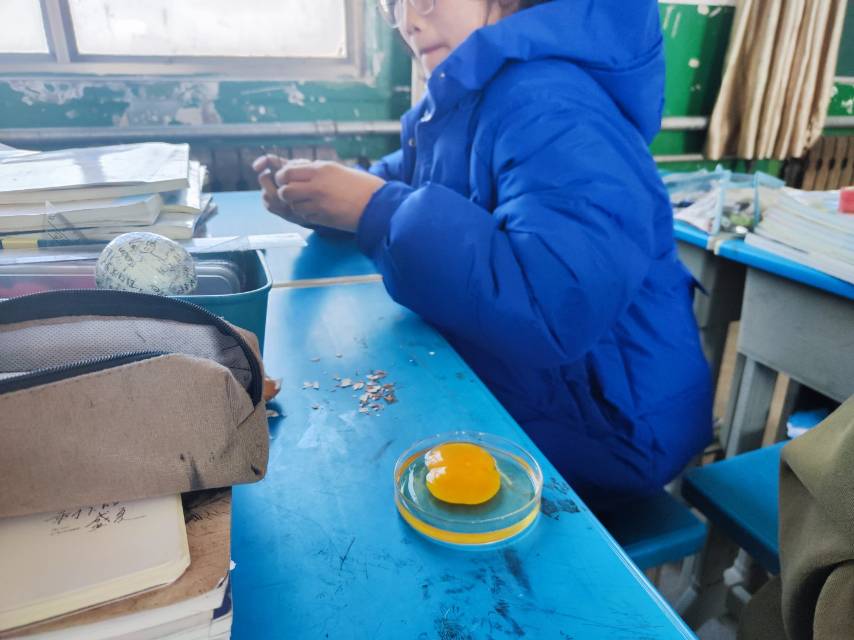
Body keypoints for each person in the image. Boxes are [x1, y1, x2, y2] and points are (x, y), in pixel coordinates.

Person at [252, 0, 712, 511]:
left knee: (349, 466)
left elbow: (554, 304)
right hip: (551, 385)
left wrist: (372, 210)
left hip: (612, 421)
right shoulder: (471, 97)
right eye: (393, 4)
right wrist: (324, 200)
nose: (408, 19)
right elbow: (407, 176)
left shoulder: (551, 102)